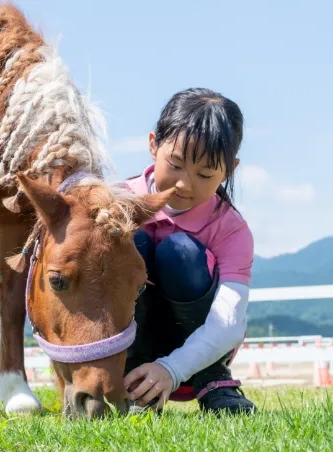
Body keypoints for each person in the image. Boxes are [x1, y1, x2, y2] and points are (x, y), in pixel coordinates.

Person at [119, 87, 256, 415]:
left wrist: (171, 369)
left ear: (230, 169)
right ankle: (132, 381)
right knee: (128, 239)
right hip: (127, 345)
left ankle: (214, 379)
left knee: (179, 251)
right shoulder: (116, 202)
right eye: (176, 164)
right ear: (153, 144)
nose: (185, 184)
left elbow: (229, 323)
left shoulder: (230, 228)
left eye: (206, 174)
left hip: (196, 354)